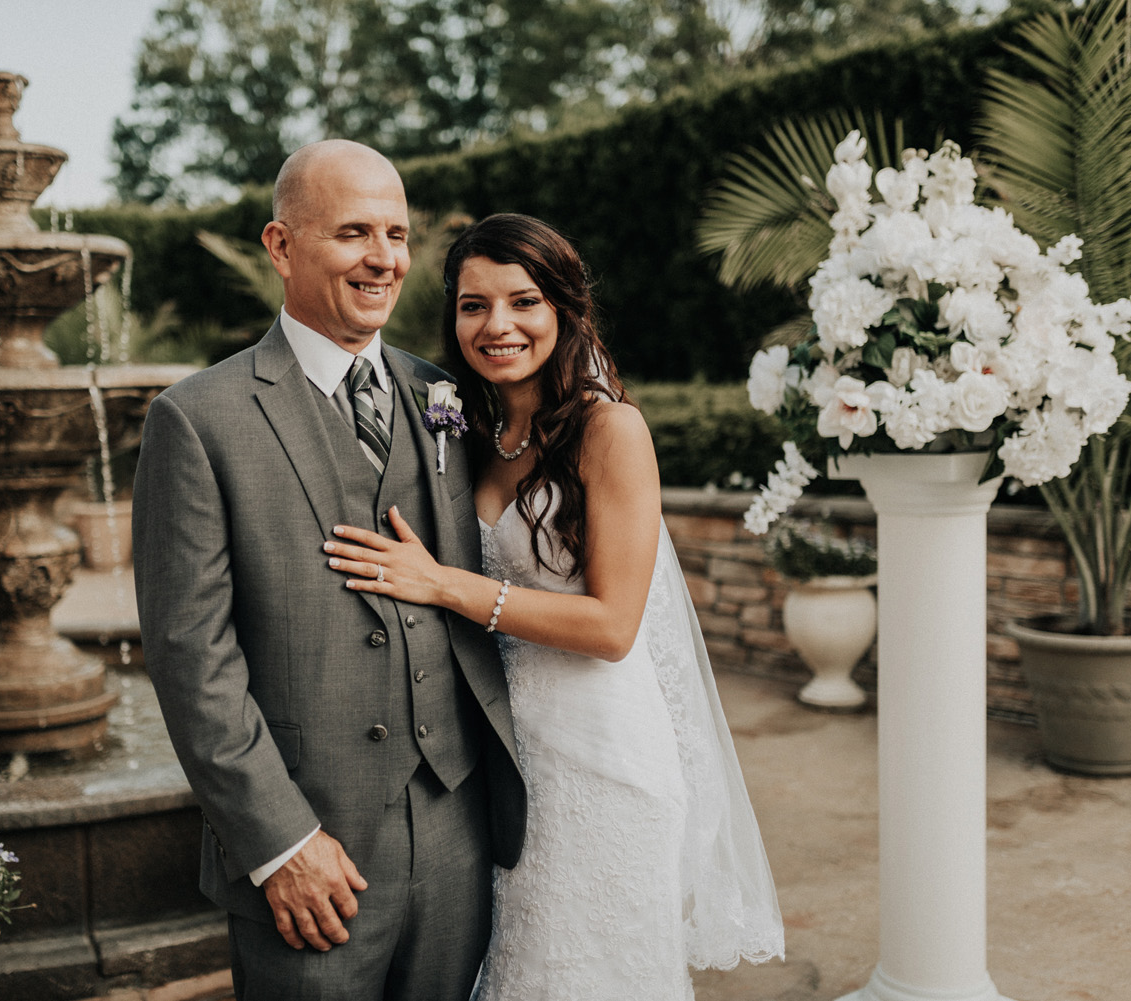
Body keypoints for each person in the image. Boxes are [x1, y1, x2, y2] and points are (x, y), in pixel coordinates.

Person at [324, 213, 786, 999]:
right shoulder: (463, 428)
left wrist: (444, 584)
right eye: (473, 305)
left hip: (601, 761)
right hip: (501, 759)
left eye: (523, 301)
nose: (496, 325)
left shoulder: (612, 431)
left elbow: (611, 627)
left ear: (566, 311)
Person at [130, 141, 527, 1001]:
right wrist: (279, 843)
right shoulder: (196, 419)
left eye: (396, 233)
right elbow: (190, 654)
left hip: (460, 828)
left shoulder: (442, 395)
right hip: (312, 853)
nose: (383, 257)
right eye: (353, 232)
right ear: (281, 246)